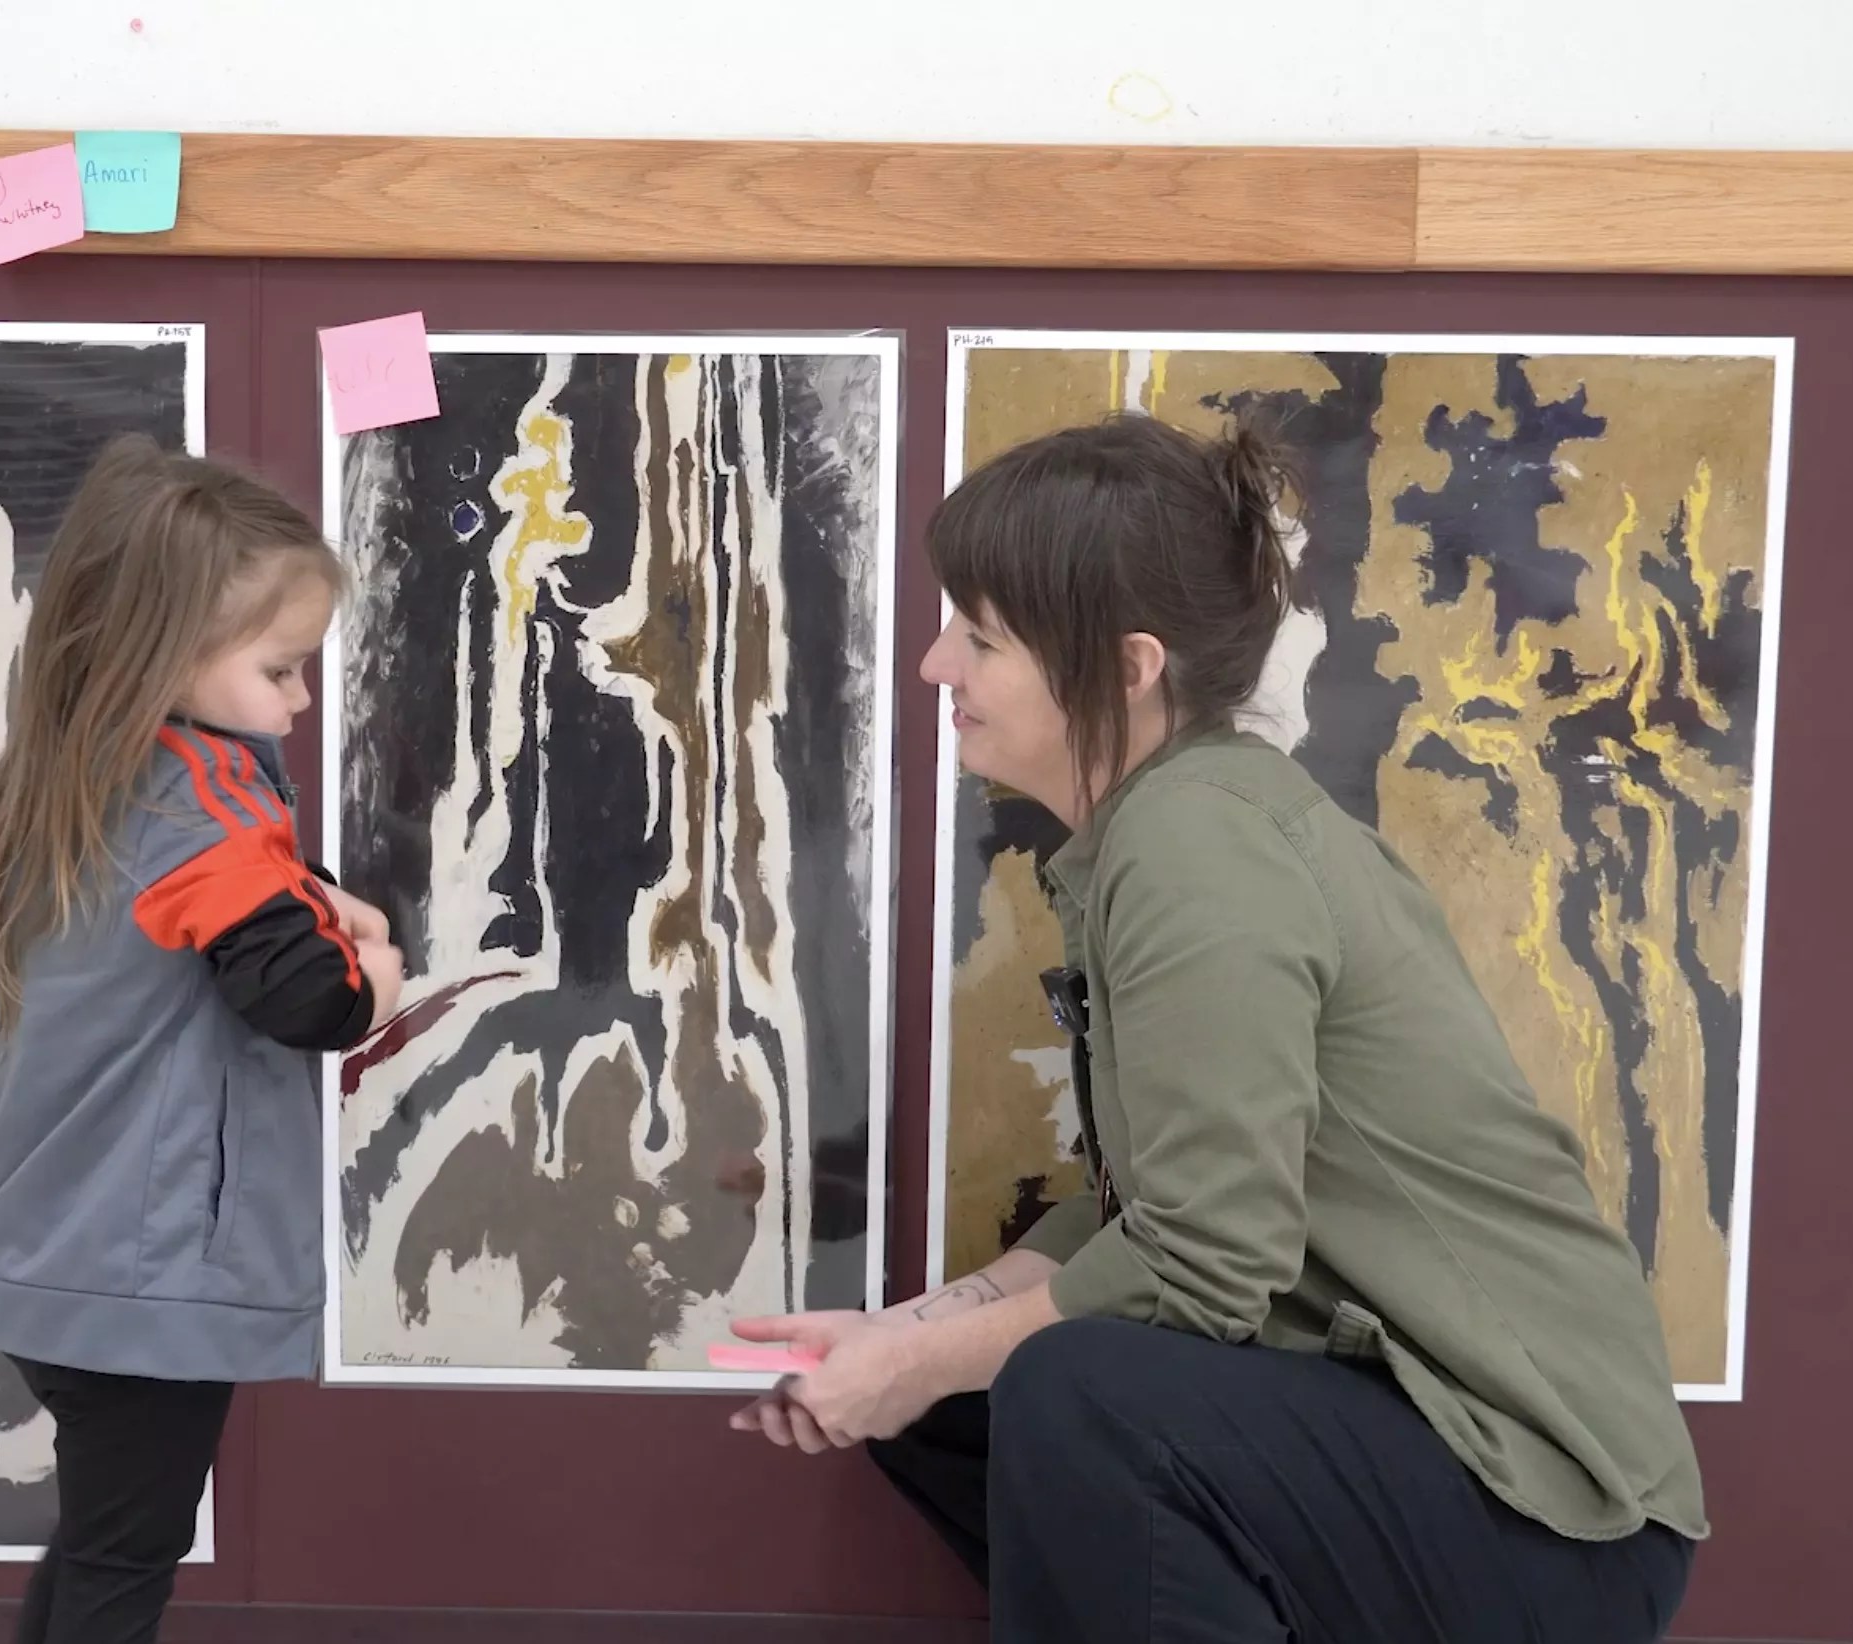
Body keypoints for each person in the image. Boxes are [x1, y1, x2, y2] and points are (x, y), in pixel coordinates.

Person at [730, 414, 1706, 1642]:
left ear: (1128, 666)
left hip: (1540, 1505)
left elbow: (1204, 1268)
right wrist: (903, 1344)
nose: (937, 667)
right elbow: (1153, 1211)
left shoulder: (1199, 847)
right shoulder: (1166, 829)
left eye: (980, 638)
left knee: (1076, 1392)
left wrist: (914, 1364)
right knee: (957, 1396)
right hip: (1422, 1453)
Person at [0, 435, 404, 1644]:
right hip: (142, 1272)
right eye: (284, 670)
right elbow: (307, 1000)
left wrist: (312, 894)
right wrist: (378, 982)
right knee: (120, 1566)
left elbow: (205, 915)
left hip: (51, 1243)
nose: (303, 700)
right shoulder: (206, 807)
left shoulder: (78, 771)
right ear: (169, 653)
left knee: (100, 1545)